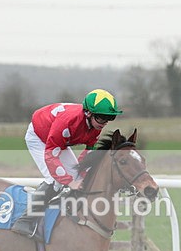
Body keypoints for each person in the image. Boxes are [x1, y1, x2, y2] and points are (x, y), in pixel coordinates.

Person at [12, 88, 123, 238]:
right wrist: (68, 181)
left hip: (58, 142)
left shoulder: (95, 125)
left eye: (109, 118)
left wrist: (80, 177)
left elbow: (88, 154)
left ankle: (64, 212)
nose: (104, 123)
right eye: (101, 117)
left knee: (77, 179)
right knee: (55, 180)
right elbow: (51, 154)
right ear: (88, 113)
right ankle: (24, 221)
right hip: (39, 138)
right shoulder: (68, 122)